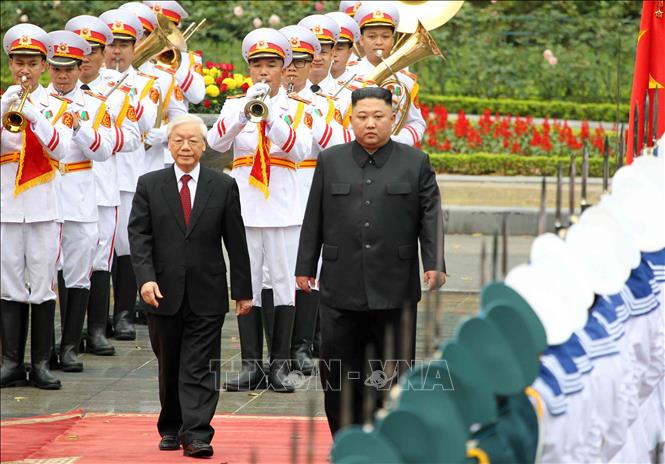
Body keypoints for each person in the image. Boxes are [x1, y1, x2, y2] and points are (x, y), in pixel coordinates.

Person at [295, 87, 446, 435]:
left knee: (392, 369)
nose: (371, 124)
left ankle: (386, 437)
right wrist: (305, 266)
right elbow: (314, 215)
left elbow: (431, 216)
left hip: (394, 285)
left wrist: (434, 262)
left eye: (379, 116)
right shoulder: (330, 160)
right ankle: (345, 439)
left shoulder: (415, 162)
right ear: (351, 120)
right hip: (340, 284)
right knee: (337, 369)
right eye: (362, 117)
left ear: (393, 119)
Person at [128, 114, 253, 458]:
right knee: (169, 362)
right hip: (162, 292)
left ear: (204, 145)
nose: (185, 146)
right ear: (169, 145)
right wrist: (145, 279)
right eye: (178, 140)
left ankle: (197, 434)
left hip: (207, 291)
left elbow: (236, 240)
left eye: (193, 140)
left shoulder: (222, 186)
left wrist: (243, 291)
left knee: (200, 364)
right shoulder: (149, 184)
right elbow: (139, 237)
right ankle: (172, 426)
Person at [207, 28, 311, 393]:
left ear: (284, 68)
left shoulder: (297, 108)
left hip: (283, 209)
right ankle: (251, 364)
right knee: (247, 283)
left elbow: (300, 150)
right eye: (257, 65)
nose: (263, 72)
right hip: (246, 208)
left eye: (271, 65)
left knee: (283, 285)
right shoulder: (235, 105)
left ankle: (279, 364)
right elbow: (215, 142)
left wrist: (270, 118)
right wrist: (244, 113)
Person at [65, 15, 142, 356]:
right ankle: (69, 334)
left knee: (100, 257)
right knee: (65, 261)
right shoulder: (54, 92)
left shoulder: (117, 91)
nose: (84, 59)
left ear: (101, 54)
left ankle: (96, 330)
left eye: (92, 51)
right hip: (66, 186)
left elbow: (134, 137)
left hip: (102, 184)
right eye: (77, 53)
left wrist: (103, 139)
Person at [1, 24, 72, 390]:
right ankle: (11, 361)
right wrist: (5, 107)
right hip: (7, 208)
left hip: (44, 208)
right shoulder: (2, 102)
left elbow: (62, 149)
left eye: (31, 63)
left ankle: (41, 362)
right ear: (9, 65)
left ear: (44, 65)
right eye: (18, 63)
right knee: (9, 284)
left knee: (42, 285)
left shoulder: (58, 106)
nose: (24, 70)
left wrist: (35, 116)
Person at [45, 30, 114, 371]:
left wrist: (79, 127)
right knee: (43, 274)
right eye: (57, 68)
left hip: (80, 194)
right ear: (48, 68)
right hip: (43, 194)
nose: (62, 75)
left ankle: (70, 345)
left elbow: (104, 150)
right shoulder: (35, 102)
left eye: (69, 68)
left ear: (78, 68)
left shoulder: (95, 104)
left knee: (78, 272)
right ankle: (43, 349)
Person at [100, 8, 159, 340]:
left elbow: (146, 121)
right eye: (111, 44)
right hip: (95, 177)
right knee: (95, 248)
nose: (116, 51)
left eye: (123, 44)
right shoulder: (88, 80)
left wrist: (119, 91)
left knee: (125, 245)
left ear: (135, 47)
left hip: (126, 176)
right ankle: (94, 320)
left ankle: (122, 313)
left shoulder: (145, 84)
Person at [349, 2, 426, 146]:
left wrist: (398, 141)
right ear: (362, 40)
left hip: (393, 152)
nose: (379, 42)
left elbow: (416, 123)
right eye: (372, 36)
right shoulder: (347, 75)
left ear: (392, 41)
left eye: (385, 37)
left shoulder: (405, 79)